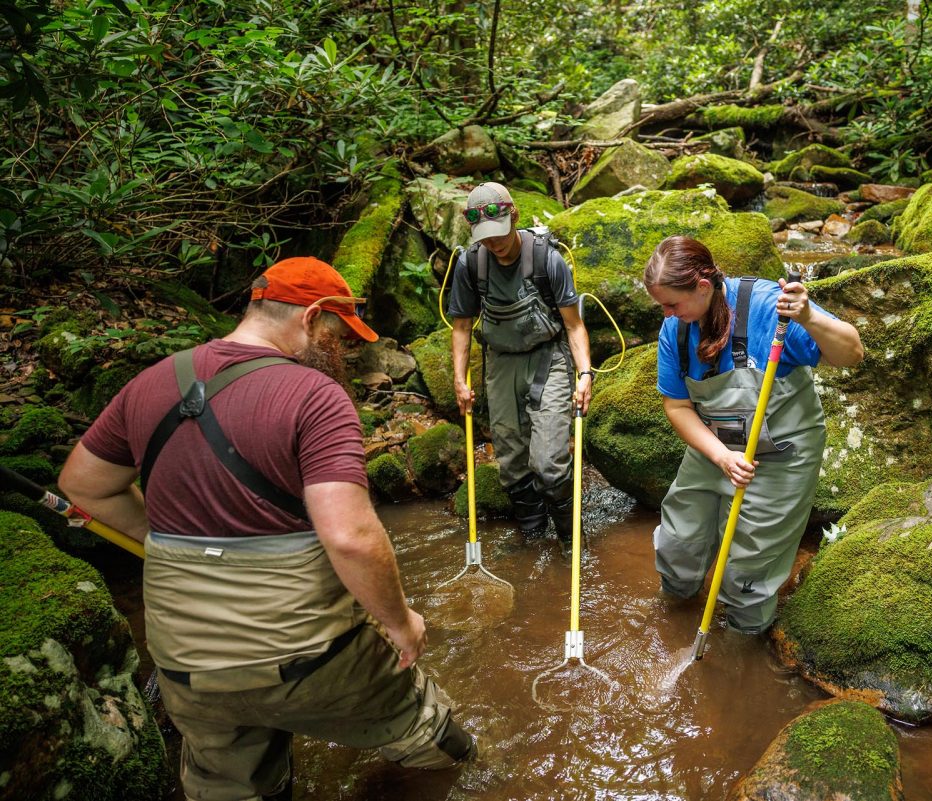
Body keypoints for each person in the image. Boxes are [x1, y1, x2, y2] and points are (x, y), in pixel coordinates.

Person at [58, 256, 475, 801]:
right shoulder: (315, 397)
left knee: (231, 788)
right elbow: (349, 536)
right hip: (309, 659)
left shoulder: (151, 383)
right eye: (340, 335)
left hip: (186, 669)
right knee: (438, 745)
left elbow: (83, 485)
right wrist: (399, 622)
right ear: (312, 317)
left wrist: (170, 546)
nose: (345, 351)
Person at [643, 236, 864, 634]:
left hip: (779, 456)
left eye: (672, 303)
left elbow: (851, 353)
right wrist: (721, 457)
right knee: (678, 544)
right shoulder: (675, 329)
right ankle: (673, 617)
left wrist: (809, 318)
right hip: (716, 448)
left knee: (747, 570)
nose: (666, 313)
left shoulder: (768, 309)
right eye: (662, 304)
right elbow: (677, 407)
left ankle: (742, 651)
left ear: (704, 287)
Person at [446, 182, 594, 549]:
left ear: (514, 215)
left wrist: (585, 374)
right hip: (500, 362)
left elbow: (574, 325)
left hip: (549, 358)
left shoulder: (548, 260)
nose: (494, 244)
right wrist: (459, 381)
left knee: (548, 464)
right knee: (512, 463)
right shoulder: (470, 264)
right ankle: (532, 536)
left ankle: (571, 541)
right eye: (485, 238)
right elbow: (462, 326)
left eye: (498, 235)